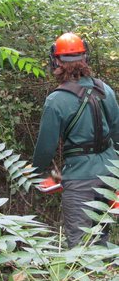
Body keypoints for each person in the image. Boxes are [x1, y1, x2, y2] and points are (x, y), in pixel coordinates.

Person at [33, 32, 119, 248]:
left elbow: (45, 149)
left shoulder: (56, 101)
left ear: (56, 60)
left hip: (81, 179)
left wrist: (34, 173)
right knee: (100, 236)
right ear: (85, 58)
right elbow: (117, 132)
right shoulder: (104, 89)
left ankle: (87, 280)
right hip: (110, 174)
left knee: (79, 245)